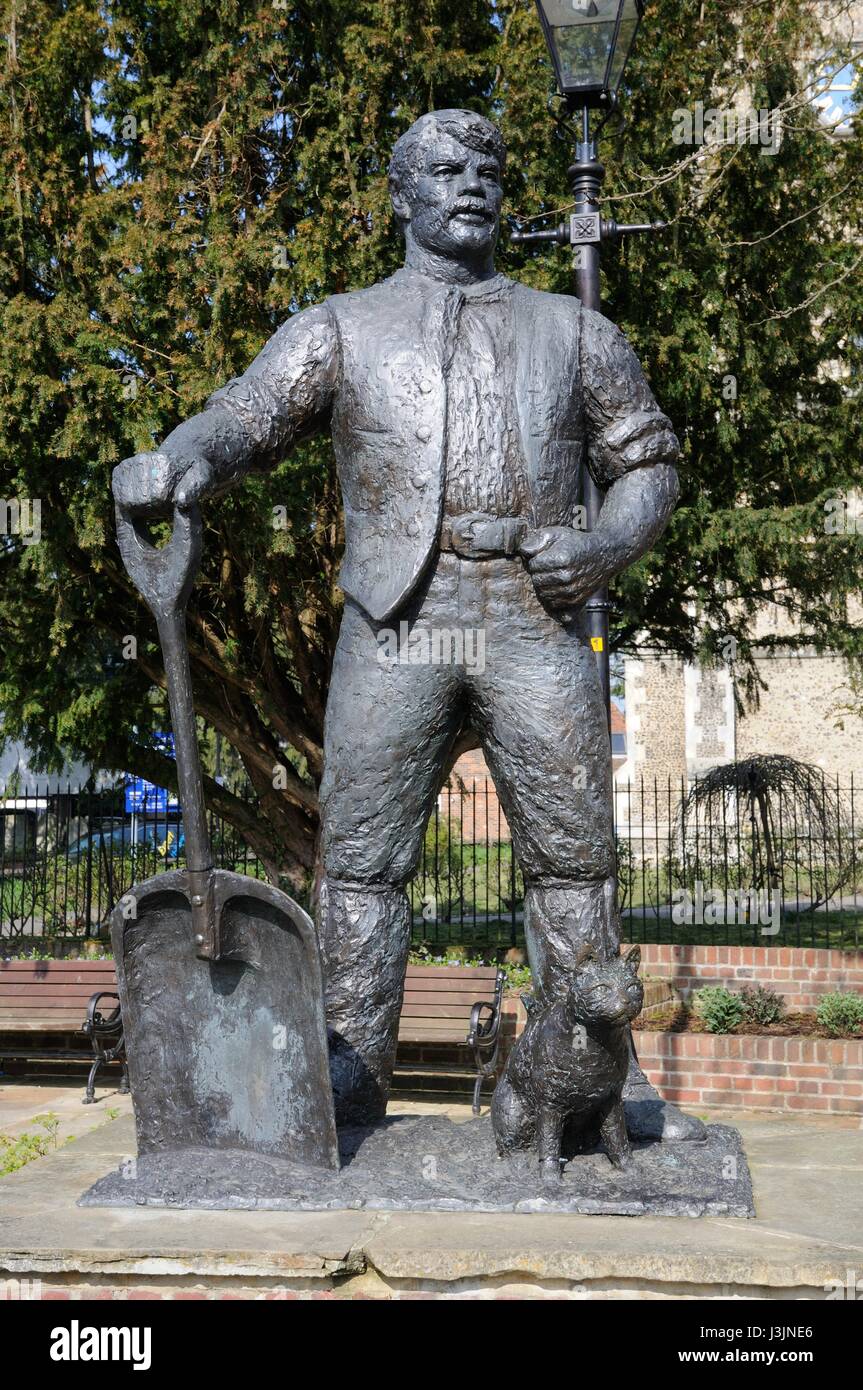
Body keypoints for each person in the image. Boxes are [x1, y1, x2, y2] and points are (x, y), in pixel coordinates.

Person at [113, 108, 703, 1140]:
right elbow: (248, 415)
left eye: (487, 166)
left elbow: (648, 461)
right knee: (360, 865)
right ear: (402, 195)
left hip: (532, 616)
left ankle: (580, 1093)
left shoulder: (572, 331)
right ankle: (344, 1092)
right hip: (397, 619)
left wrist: (605, 548)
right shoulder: (341, 325)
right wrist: (175, 459)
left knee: (573, 863)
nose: (470, 181)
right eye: (443, 168)